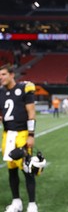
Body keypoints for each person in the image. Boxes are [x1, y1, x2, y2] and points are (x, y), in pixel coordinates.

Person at [0, 64, 38, 212]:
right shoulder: (1, 92)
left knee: (27, 168)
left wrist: (31, 134)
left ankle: (32, 204)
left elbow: (31, 113)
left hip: (22, 133)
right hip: (7, 134)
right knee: (11, 170)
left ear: (11, 74)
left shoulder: (24, 88)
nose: (1, 78)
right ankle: (16, 201)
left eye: (3, 74)